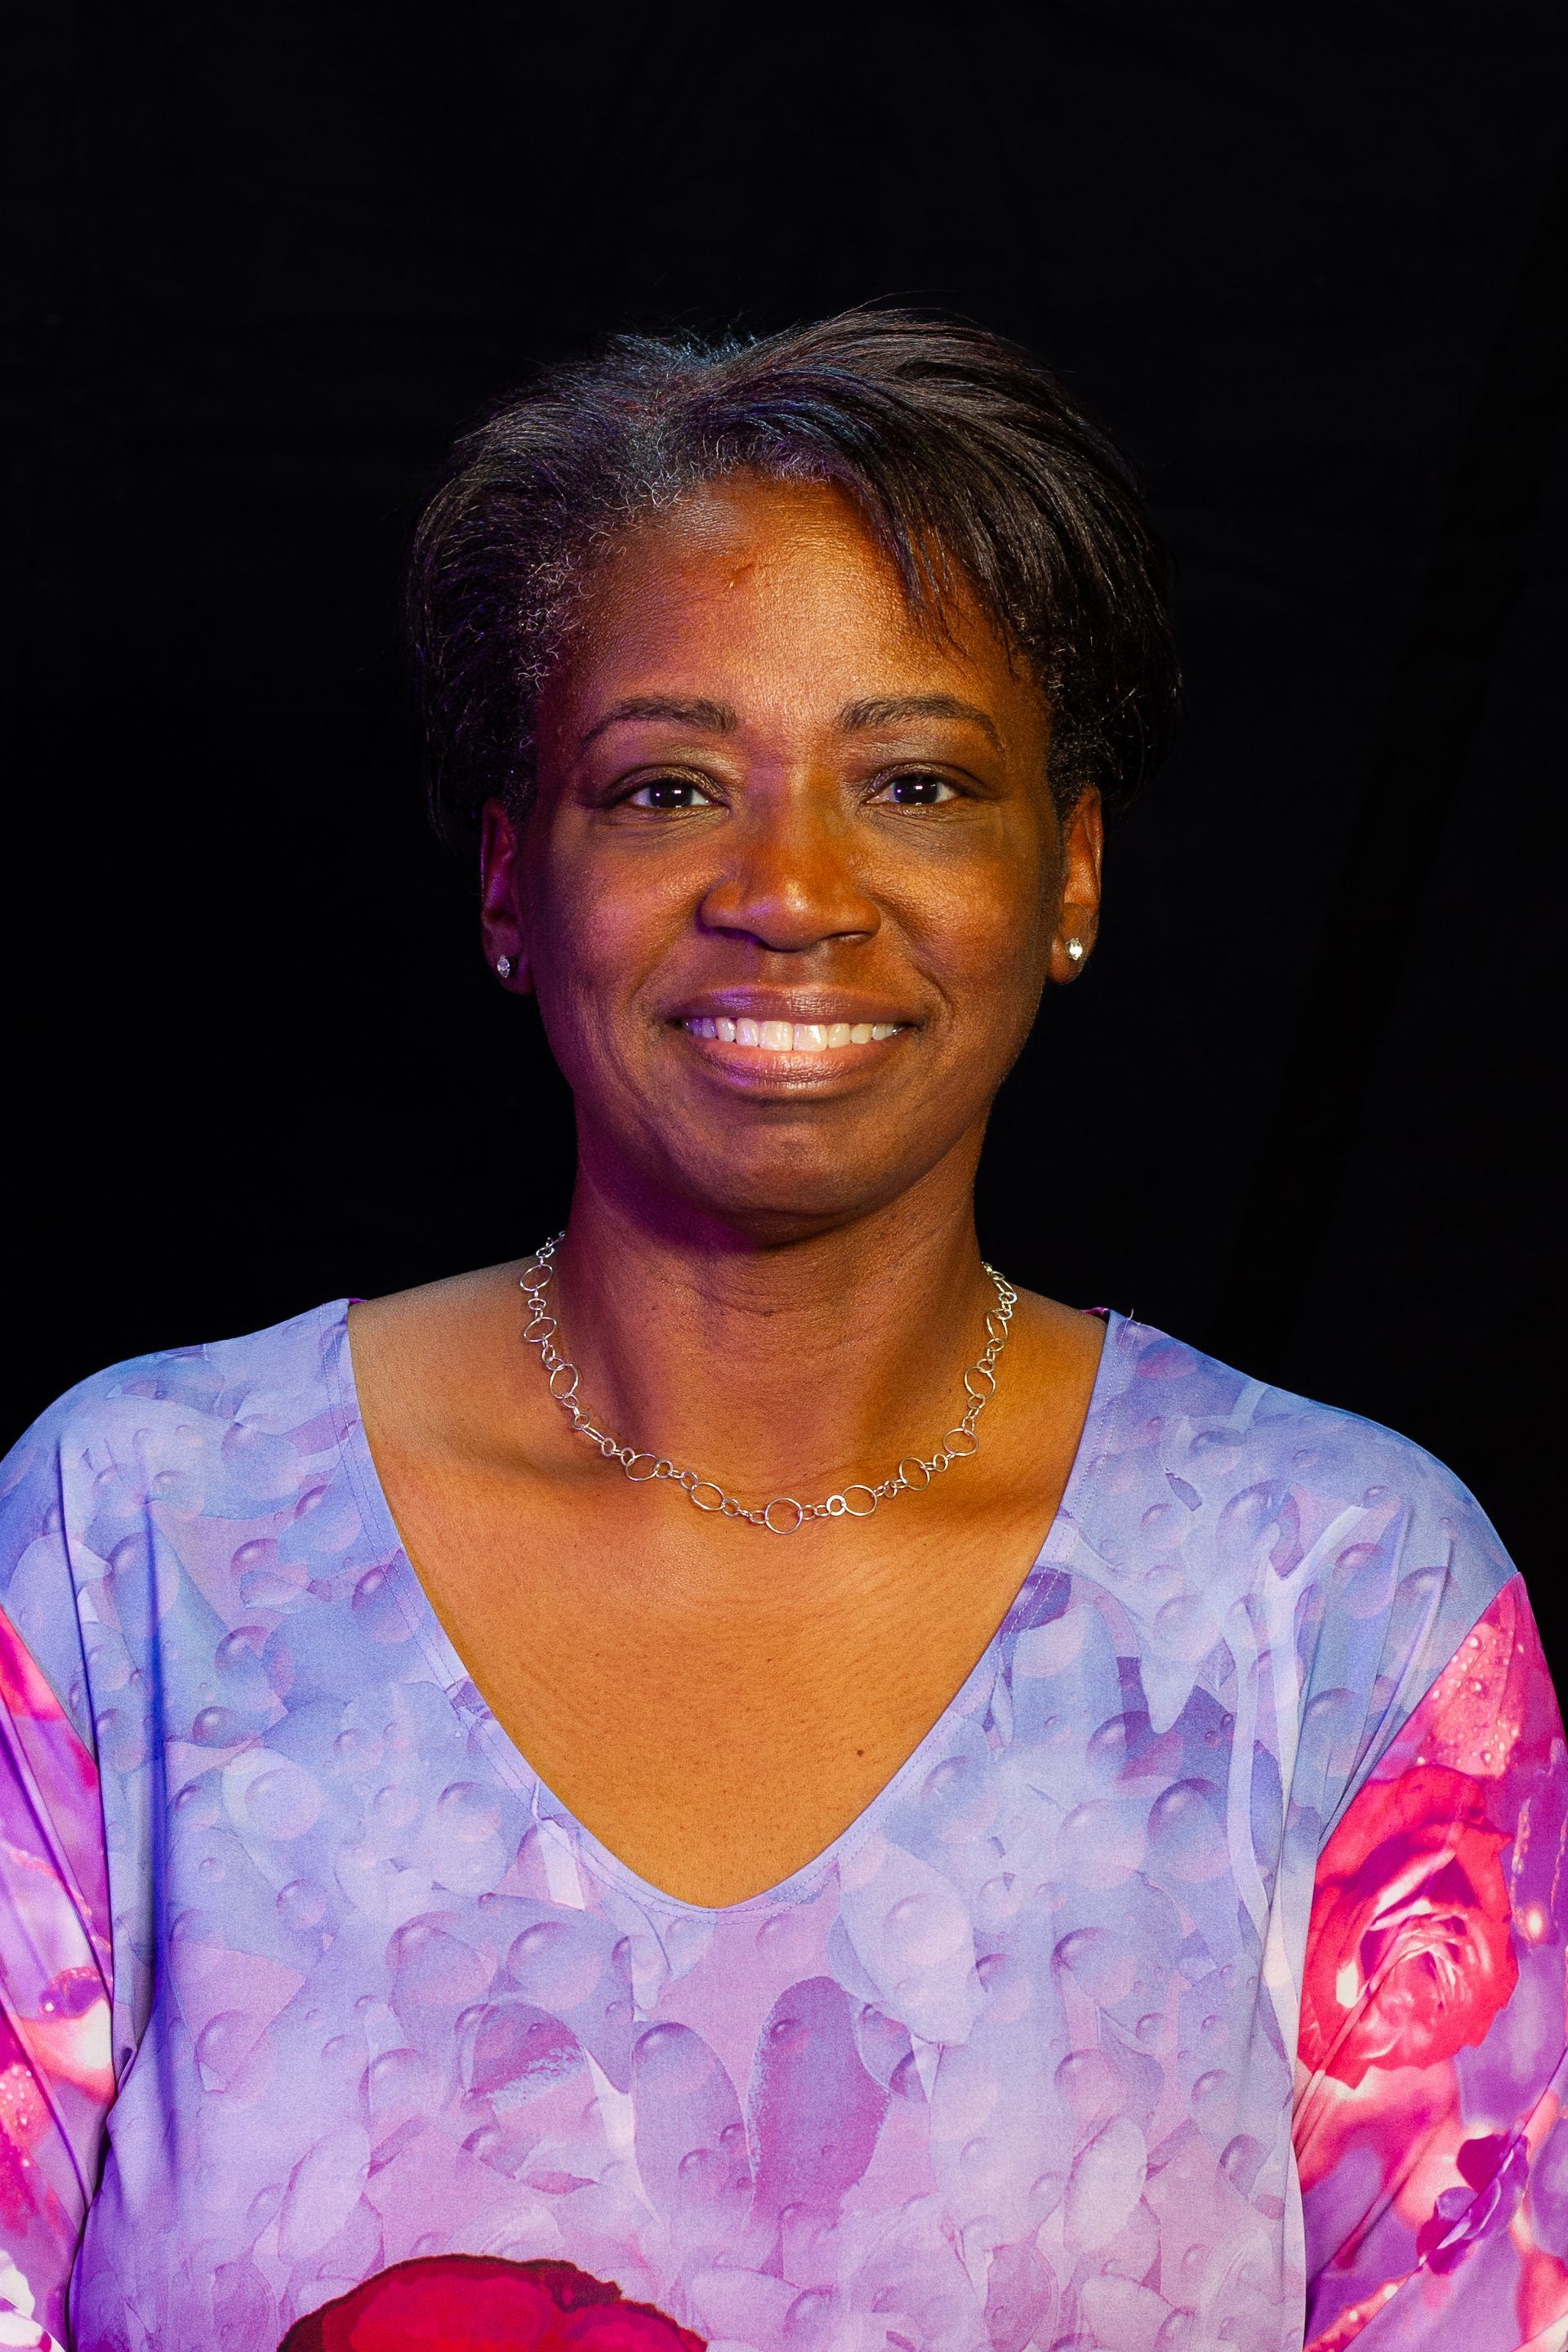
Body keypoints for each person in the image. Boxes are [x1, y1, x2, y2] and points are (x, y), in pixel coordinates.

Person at [0, 312, 1562, 2352]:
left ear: (1068, 874)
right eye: (663, 787)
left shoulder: (1343, 1600)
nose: (792, 889)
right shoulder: (138, 1540)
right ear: (510, 880)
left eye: (913, 781)